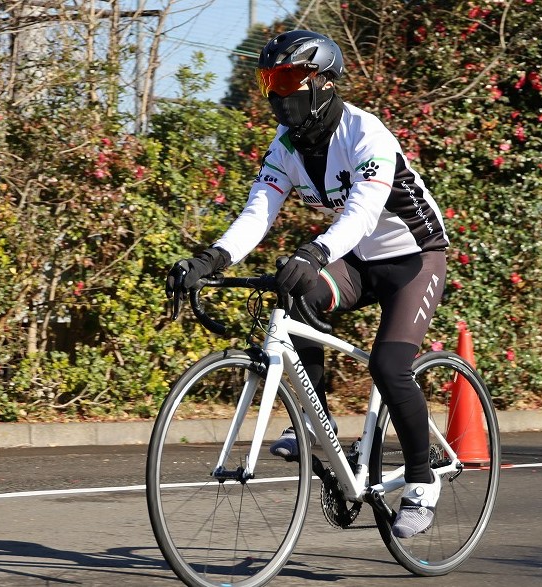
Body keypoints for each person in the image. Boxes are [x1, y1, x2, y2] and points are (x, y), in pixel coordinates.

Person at [166, 30, 449, 539]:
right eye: (270, 81)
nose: (278, 94)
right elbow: (259, 212)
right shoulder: (286, 146)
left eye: (288, 79)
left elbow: (363, 213)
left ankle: (422, 482)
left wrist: (316, 250)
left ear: (321, 81)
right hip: (358, 259)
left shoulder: (367, 135)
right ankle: (320, 433)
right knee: (296, 292)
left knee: (388, 365)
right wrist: (210, 259)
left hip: (414, 259)